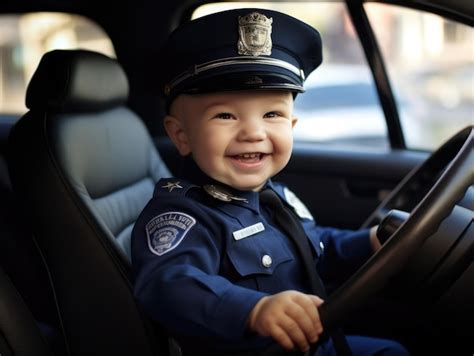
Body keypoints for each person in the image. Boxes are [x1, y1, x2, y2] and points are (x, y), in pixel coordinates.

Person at [132, 8, 408, 356]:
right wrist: (253, 310)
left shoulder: (273, 195)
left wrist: (368, 242)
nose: (253, 132)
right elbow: (167, 284)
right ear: (181, 135)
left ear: (291, 126)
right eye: (225, 115)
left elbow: (313, 246)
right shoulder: (183, 214)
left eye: (272, 114)